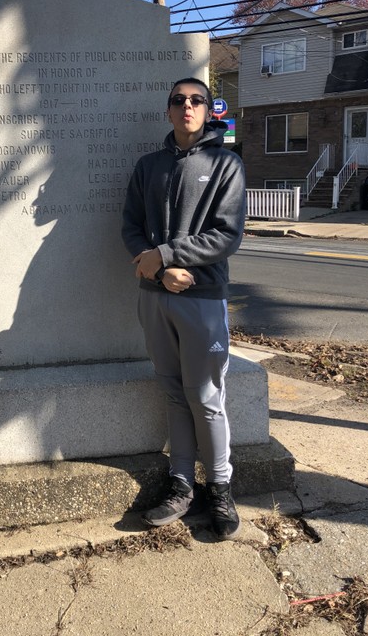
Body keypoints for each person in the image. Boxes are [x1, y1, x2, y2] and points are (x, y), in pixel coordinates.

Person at [121, 76, 246, 540]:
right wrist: (155, 270)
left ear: (209, 110)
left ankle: (219, 485)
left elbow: (226, 234)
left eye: (197, 100)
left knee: (206, 396)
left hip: (202, 298)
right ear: (168, 110)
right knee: (173, 391)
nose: (187, 107)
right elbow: (131, 227)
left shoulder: (225, 164)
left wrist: (168, 257)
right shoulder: (148, 165)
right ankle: (180, 484)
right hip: (154, 298)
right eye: (179, 100)